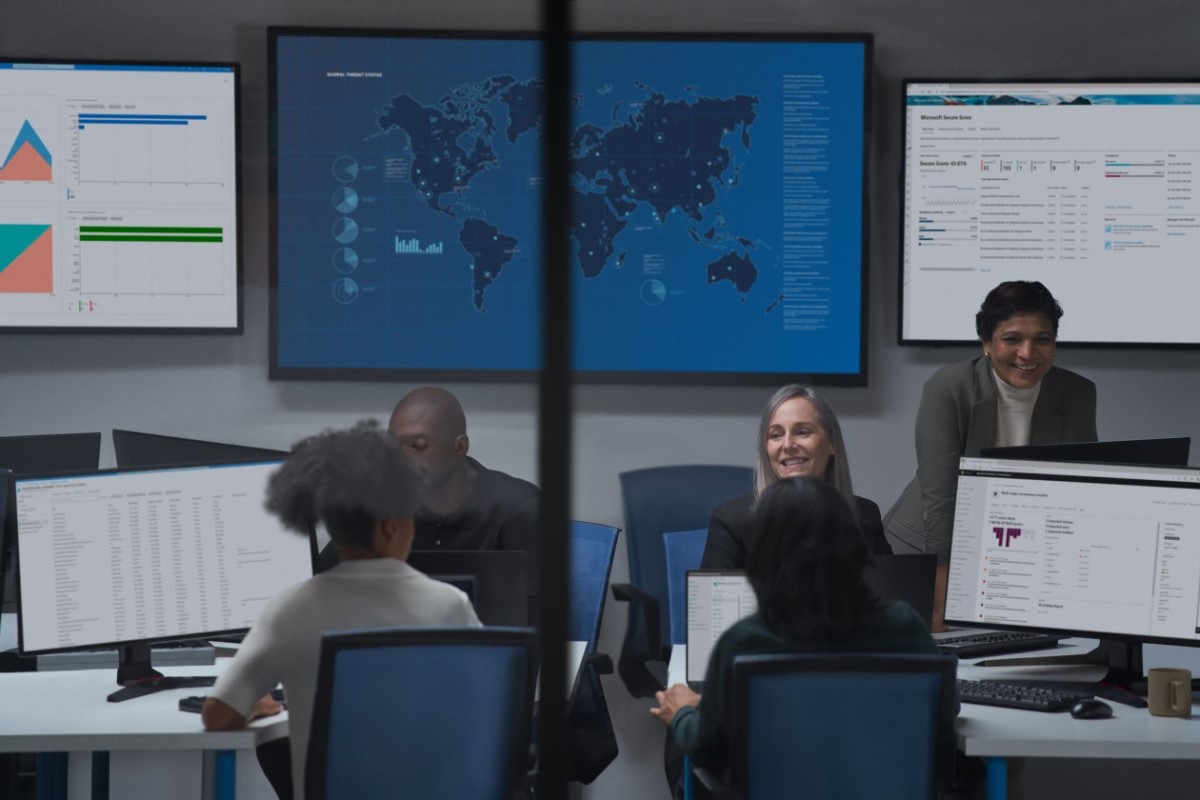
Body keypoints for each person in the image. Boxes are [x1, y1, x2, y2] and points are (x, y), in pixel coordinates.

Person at [202, 420, 481, 800]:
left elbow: (217, 716)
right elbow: (484, 709)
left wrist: (254, 705)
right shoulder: (448, 605)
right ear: (391, 527)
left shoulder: (291, 609)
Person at [650, 477, 943, 782]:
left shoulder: (745, 641)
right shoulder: (904, 626)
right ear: (855, 550)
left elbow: (709, 748)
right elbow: (943, 712)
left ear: (763, 558)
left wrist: (683, 713)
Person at [883, 280, 1097, 629]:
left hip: (1011, 552)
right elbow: (941, 497)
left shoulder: (1077, 394)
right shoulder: (950, 387)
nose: (1027, 353)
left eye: (1042, 339)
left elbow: (1078, 493)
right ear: (987, 343)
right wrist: (941, 591)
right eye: (1012, 339)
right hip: (926, 551)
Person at [319, 386, 541, 620]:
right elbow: (323, 586)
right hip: (395, 641)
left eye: (417, 445)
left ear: (459, 447)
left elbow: (538, 623)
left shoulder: (520, 509)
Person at [701, 383, 891, 569]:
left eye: (802, 432)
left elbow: (887, 587)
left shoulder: (865, 516)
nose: (788, 445)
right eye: (776, 435)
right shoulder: (732, 522)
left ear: (831, 443)